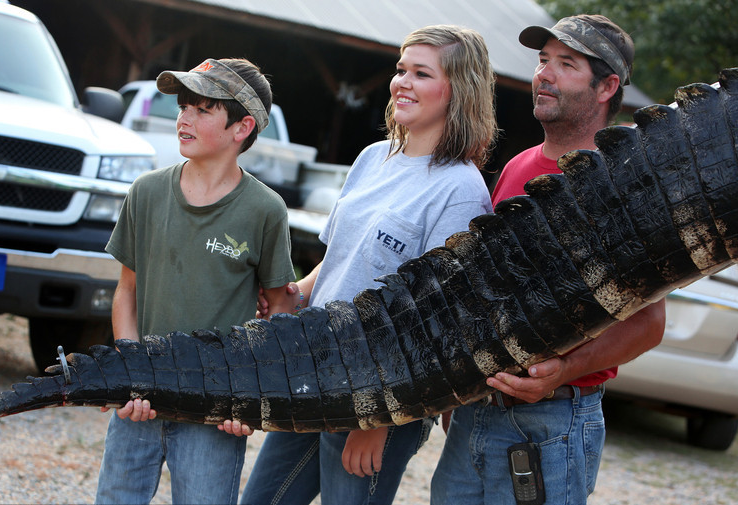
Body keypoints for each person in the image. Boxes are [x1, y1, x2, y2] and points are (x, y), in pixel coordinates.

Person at [226, 24, 499, 505]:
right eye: (400, 69)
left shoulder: (460, 191)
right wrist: (294, 294)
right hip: (313, 370)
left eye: (421, 73)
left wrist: (380, 420)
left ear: (460, 90)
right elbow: (337, 262)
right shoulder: (374, 158)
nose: (402, 82)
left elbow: (436, 321)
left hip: (381, 393)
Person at [430, 15, 666, 505]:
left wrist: (563, 370)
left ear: (607, 87)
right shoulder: (518, 166)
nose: (544, 74)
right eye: (542, 61)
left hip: (555, 419)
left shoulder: (625, 177)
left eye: (566, 64)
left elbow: (649, 323)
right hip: (477, 412)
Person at [94, 57, 295, 504]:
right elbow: (127, 291)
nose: (183, 117)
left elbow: (280, 310)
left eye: (203, 109)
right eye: (184, 105)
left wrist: (250, 393)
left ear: (241, 128)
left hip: (215, 410)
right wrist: (130, 369)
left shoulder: (266, 210)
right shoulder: (145, 192)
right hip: (139, 400)